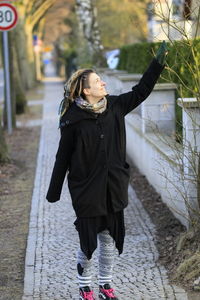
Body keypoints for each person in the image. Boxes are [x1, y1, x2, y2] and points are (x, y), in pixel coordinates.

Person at [46, 41, 168, 300]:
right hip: (86, 189)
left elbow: (141, 90)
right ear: (86, 90)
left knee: (109, 239)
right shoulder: (72, 120)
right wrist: (53, 191)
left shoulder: (115, 106)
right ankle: (84, 287)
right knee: (89, 242)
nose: (104, 84)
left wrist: (157, 64)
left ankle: (105, 286)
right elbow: (62, 157)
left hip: (113, 186)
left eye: (102, 80)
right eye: (98, 81)